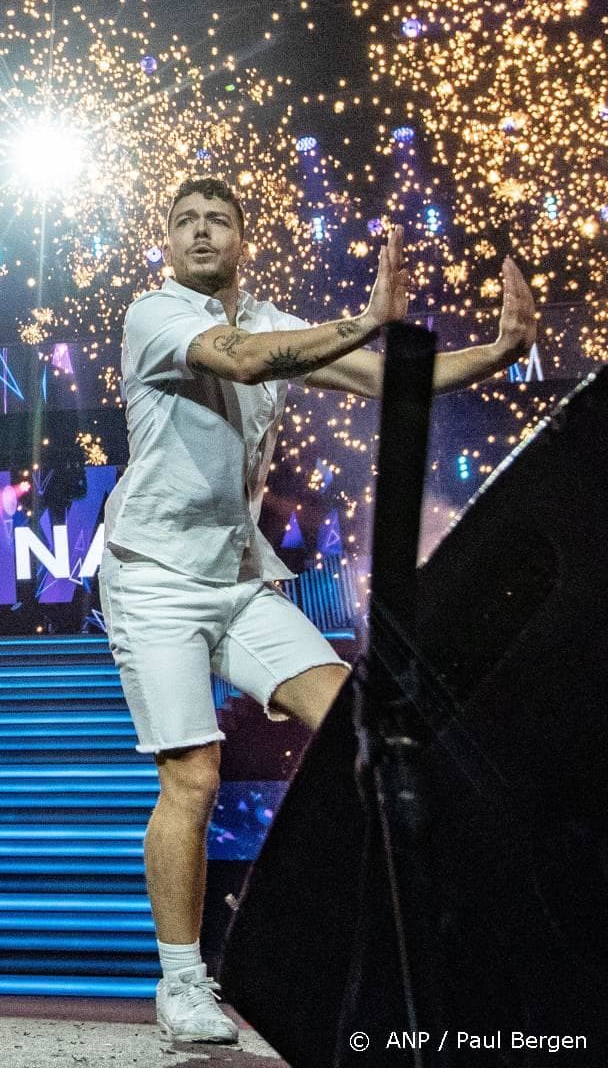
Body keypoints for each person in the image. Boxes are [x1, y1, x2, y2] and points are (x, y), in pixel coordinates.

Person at [100, 177, 538, 1044]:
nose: (198, 231)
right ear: (168, 241)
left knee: (358, 727)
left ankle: (370, 943)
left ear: (241, 241)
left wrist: (498, 349)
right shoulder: (155, 312)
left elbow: (382, 380)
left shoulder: (270, 317)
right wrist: (369, 316)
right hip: (152, 578)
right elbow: (247, 360)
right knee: (193, 775)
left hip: (234, 578)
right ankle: (183, 982)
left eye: (216, 219)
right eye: (183, 220)